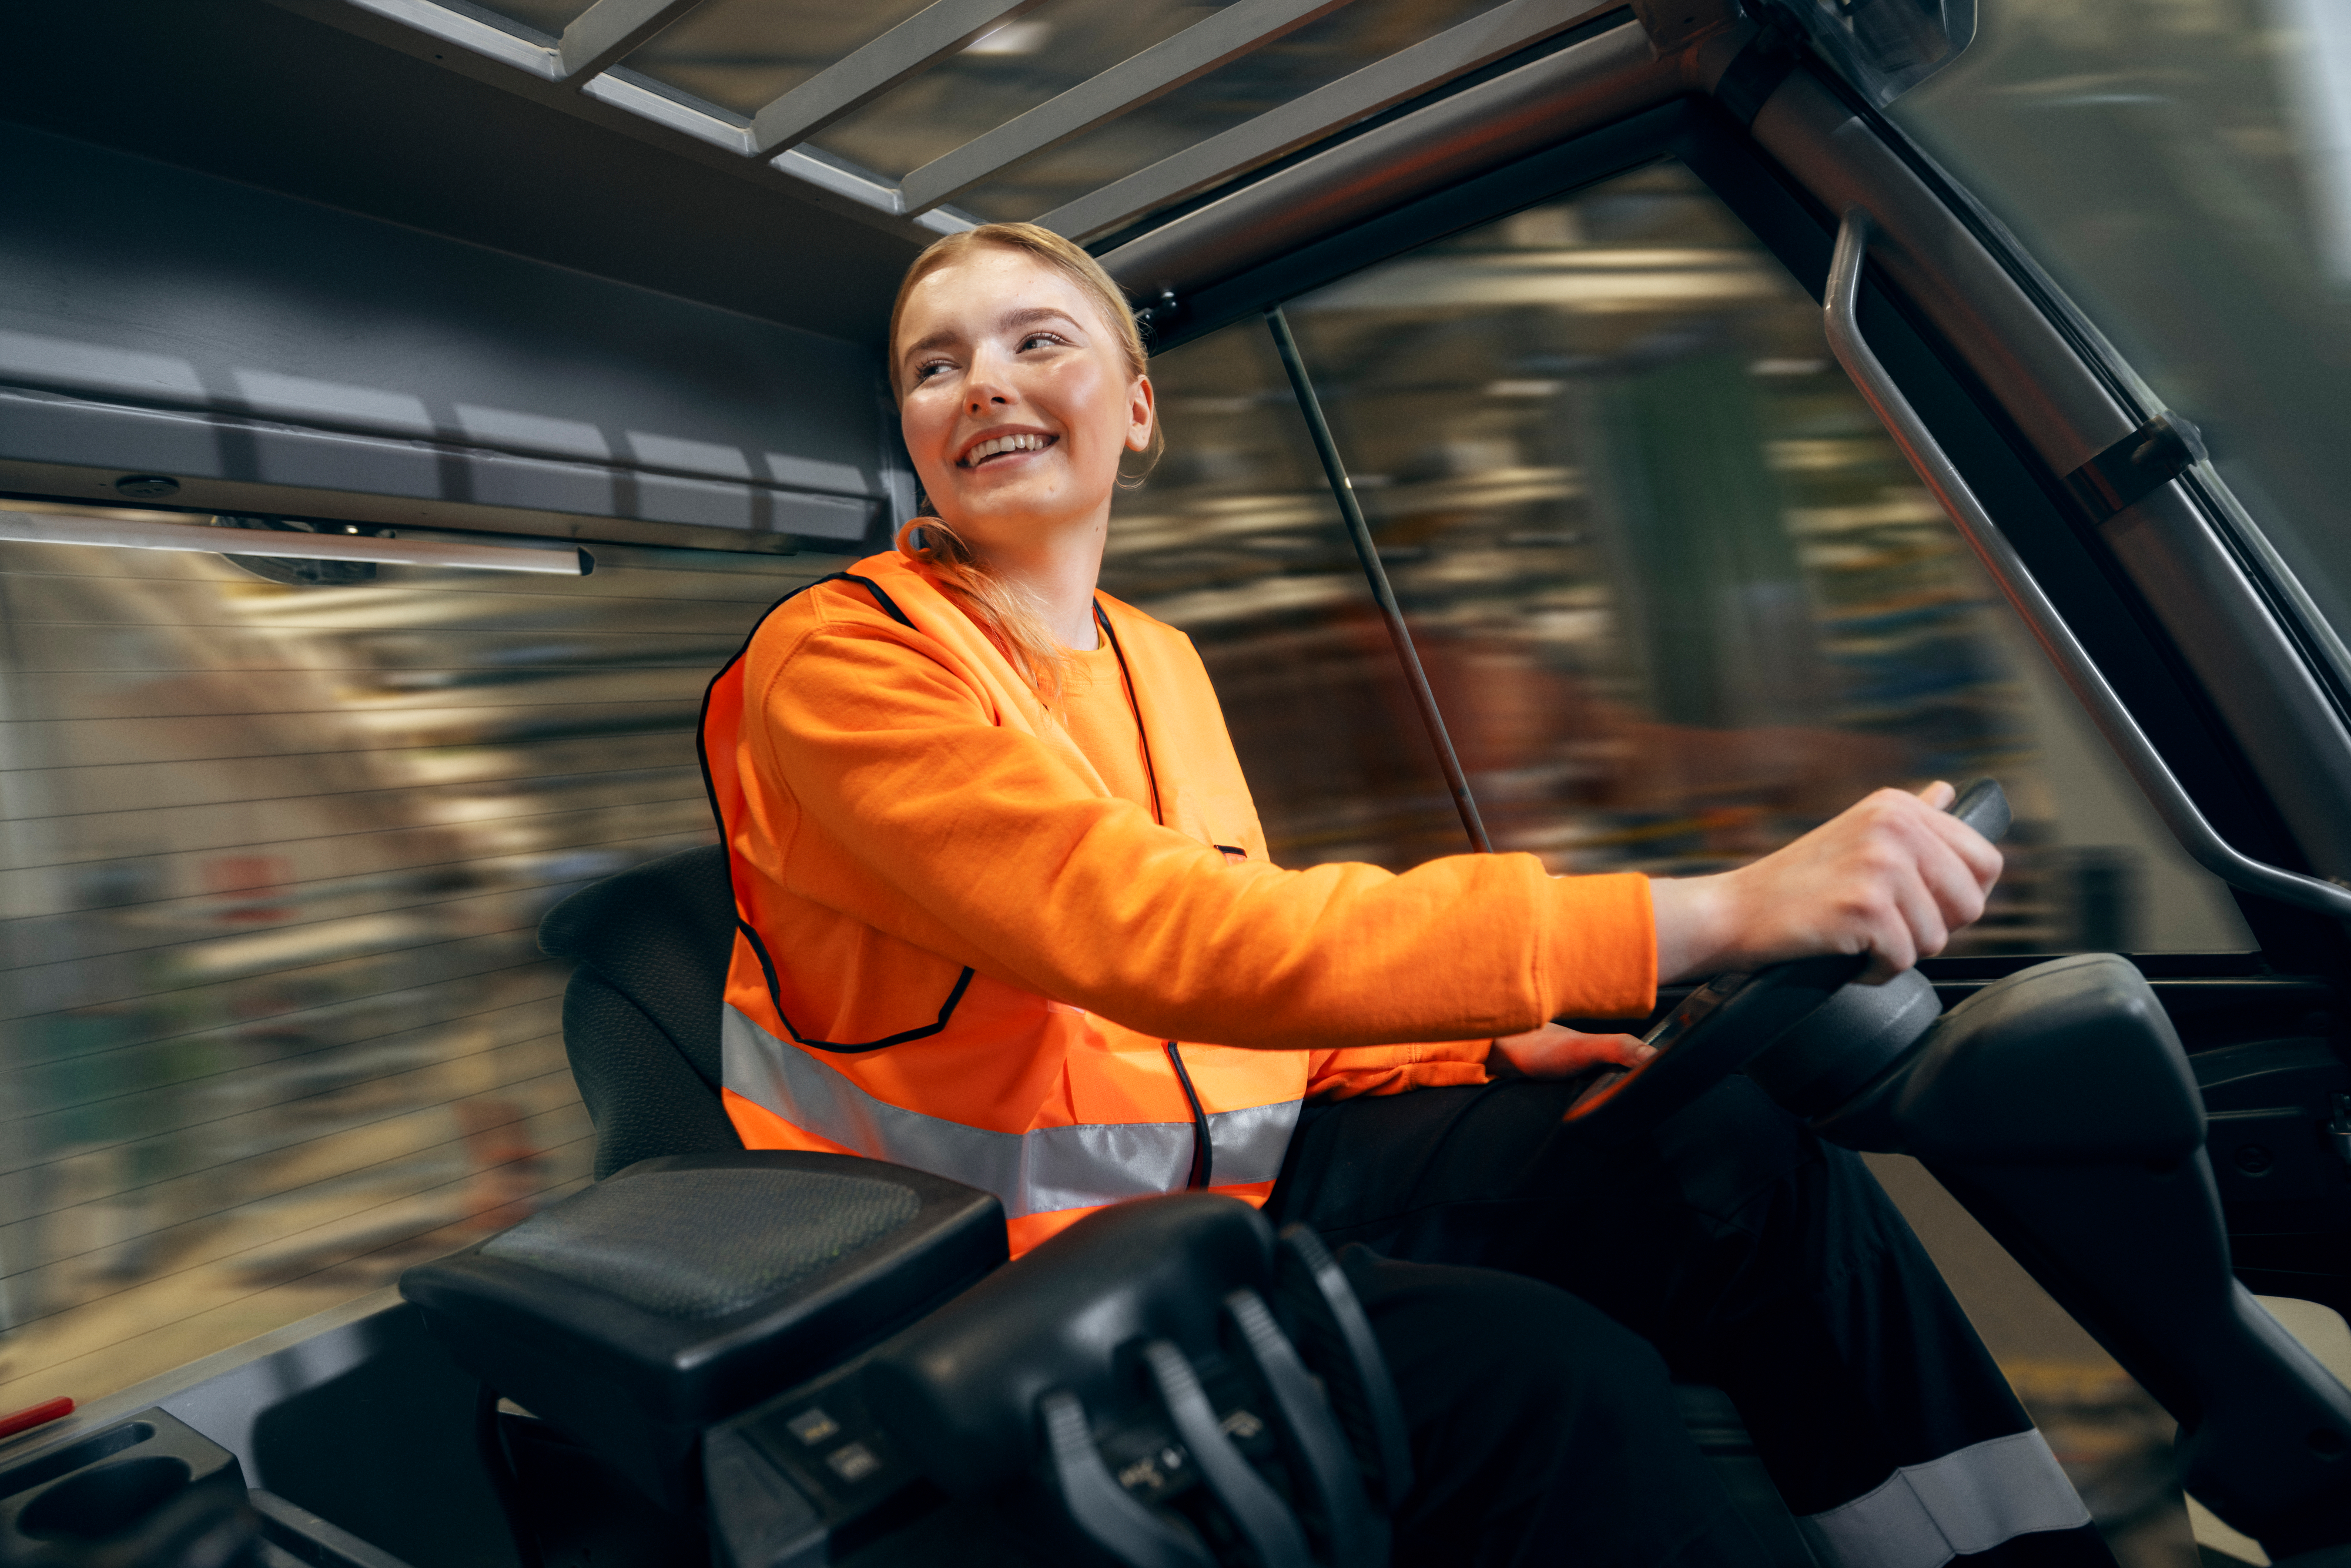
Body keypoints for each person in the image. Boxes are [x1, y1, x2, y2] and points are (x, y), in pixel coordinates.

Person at [699, 222, 2110, 1568]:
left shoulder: (1154, 656)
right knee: (1555, 1380)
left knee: (1729, 1161)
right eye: (932, 366)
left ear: (1136, 407)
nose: (981, 383)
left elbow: (1220, 1013)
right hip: (1010, 1279)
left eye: (1032, 340)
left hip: (1235, 1175)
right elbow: (1166, 938)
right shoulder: (840, 661)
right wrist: (1726, 911)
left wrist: (1473, 1043)